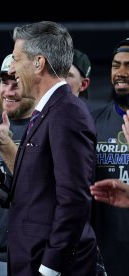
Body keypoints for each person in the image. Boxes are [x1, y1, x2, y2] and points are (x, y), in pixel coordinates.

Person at [0, 21, 98, 275]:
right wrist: (1, 183)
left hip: (48, 265)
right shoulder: (45, 112)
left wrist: (51, 267)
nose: (11, 67)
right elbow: (42, 189)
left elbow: (74, 199)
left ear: (39, 63)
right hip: (30, 259)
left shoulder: (67, 112)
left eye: (16, 59)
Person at [89, 37, 129, 276]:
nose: (121, 72)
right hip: (102, 254)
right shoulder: (91, 121)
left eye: (128, 65)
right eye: (116, 65)